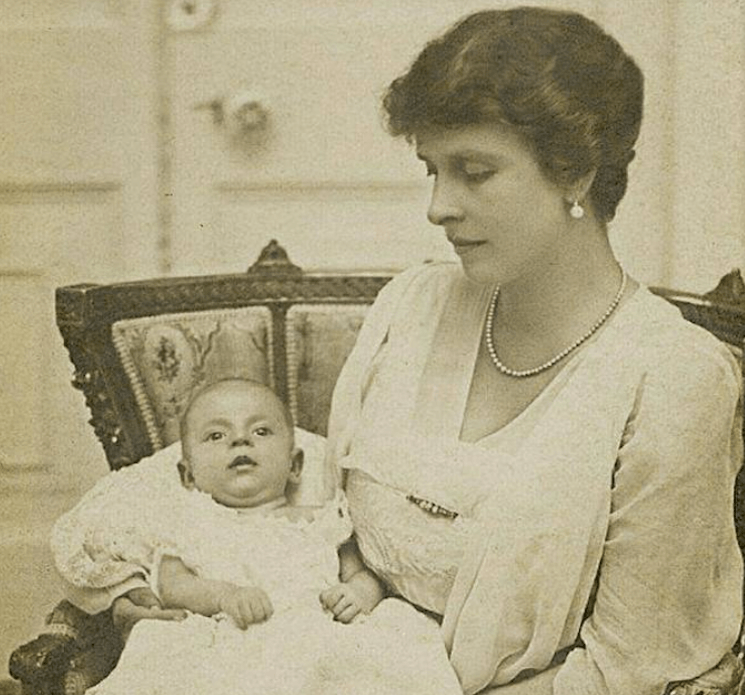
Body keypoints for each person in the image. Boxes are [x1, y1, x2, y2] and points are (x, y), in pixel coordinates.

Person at [52, 7, 743, 695]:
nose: (438, 206)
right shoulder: (414, 308)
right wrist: (149, 590)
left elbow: (631, 670)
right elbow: (298, 517)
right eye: (431, 170)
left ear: (577, 173)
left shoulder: (670, 378)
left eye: (474, 171)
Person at [53, 379, 462, 695]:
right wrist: (224, 596)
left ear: (295, 464)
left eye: (262, 431)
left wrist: (357, 596)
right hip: (228, 639)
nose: (240, 440)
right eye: (216, 436)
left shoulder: (321, 520)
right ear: (188, 474)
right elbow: (172, 585)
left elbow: (363, 573)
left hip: (316, 635)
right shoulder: (192, 522)